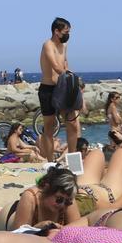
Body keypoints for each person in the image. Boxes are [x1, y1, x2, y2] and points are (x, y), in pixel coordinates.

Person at [38, 17, 81, 160]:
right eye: (65, 32)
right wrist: (70, 76)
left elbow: (65, 64)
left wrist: (73, 82)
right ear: (57, 31)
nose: (68, 34)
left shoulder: (65, 46)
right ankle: (50, 161)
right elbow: (56, 66)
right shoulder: (47, 45)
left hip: (63, 88)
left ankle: (73, 159)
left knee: (73, 124)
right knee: (49, 127)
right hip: (48, 89)